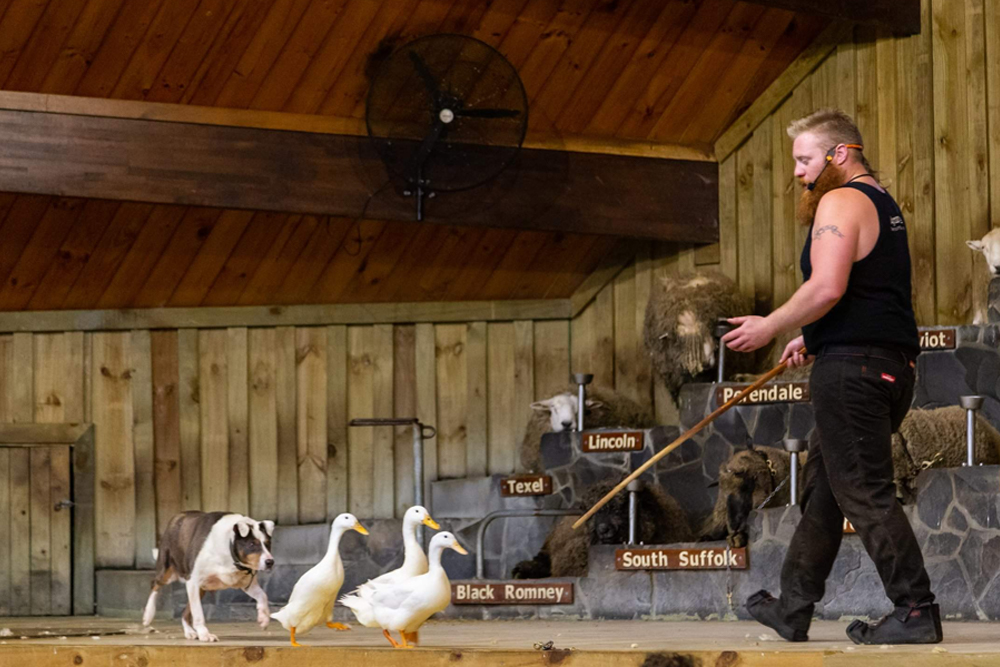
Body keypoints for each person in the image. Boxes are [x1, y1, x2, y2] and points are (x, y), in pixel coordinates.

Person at [720, 109, 941, 645]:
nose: (798, 172)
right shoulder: (882, 203)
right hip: (880, 365)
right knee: (825, 491)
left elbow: (826, 288)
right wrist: (812, 337)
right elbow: (869, 293)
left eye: (804, 159)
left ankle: (916, 608)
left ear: (839, 154)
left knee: (864, 492)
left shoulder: (839, 201)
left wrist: (772, 325)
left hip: (854, 374)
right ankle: (793, 608)